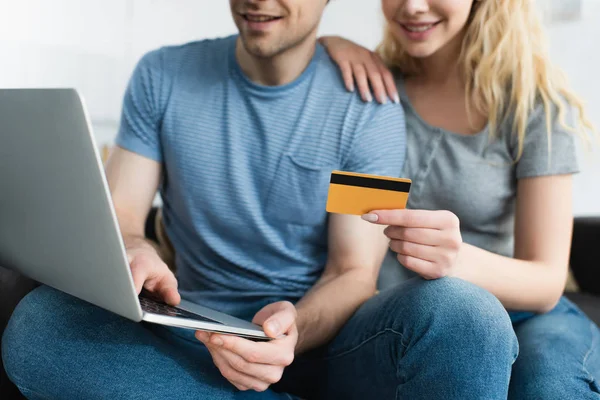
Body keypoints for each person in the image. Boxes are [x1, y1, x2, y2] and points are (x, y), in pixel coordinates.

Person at [2, 1, 518, 399]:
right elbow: (122, 216)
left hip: (324, 339)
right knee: (41, 325)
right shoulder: (162, 76)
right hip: (197, 336)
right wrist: (135, 248)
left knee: (467, 313)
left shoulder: (370, 106)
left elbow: (352, 272)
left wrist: (291, 333)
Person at [320, 0, 600, 398]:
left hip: (527, 311)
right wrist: (326, 45)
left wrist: (458, 260)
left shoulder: (535, 107)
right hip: (408, 317)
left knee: (549, 389)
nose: (413, 6)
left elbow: (547, 281)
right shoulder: (370, 90)